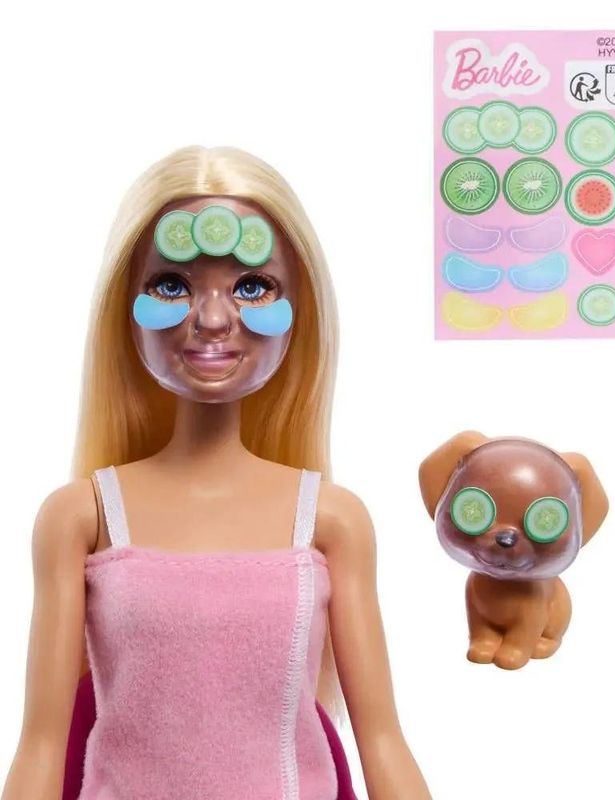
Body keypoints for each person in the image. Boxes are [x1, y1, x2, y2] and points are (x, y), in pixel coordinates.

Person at [1, 145, 432, 800]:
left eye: (252, 287)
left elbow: (383, 740)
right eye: (171, 286)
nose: (211, 318)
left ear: (301, 310)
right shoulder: (82, 516)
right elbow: (39, 744)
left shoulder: (330, 519)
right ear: (124, 306)